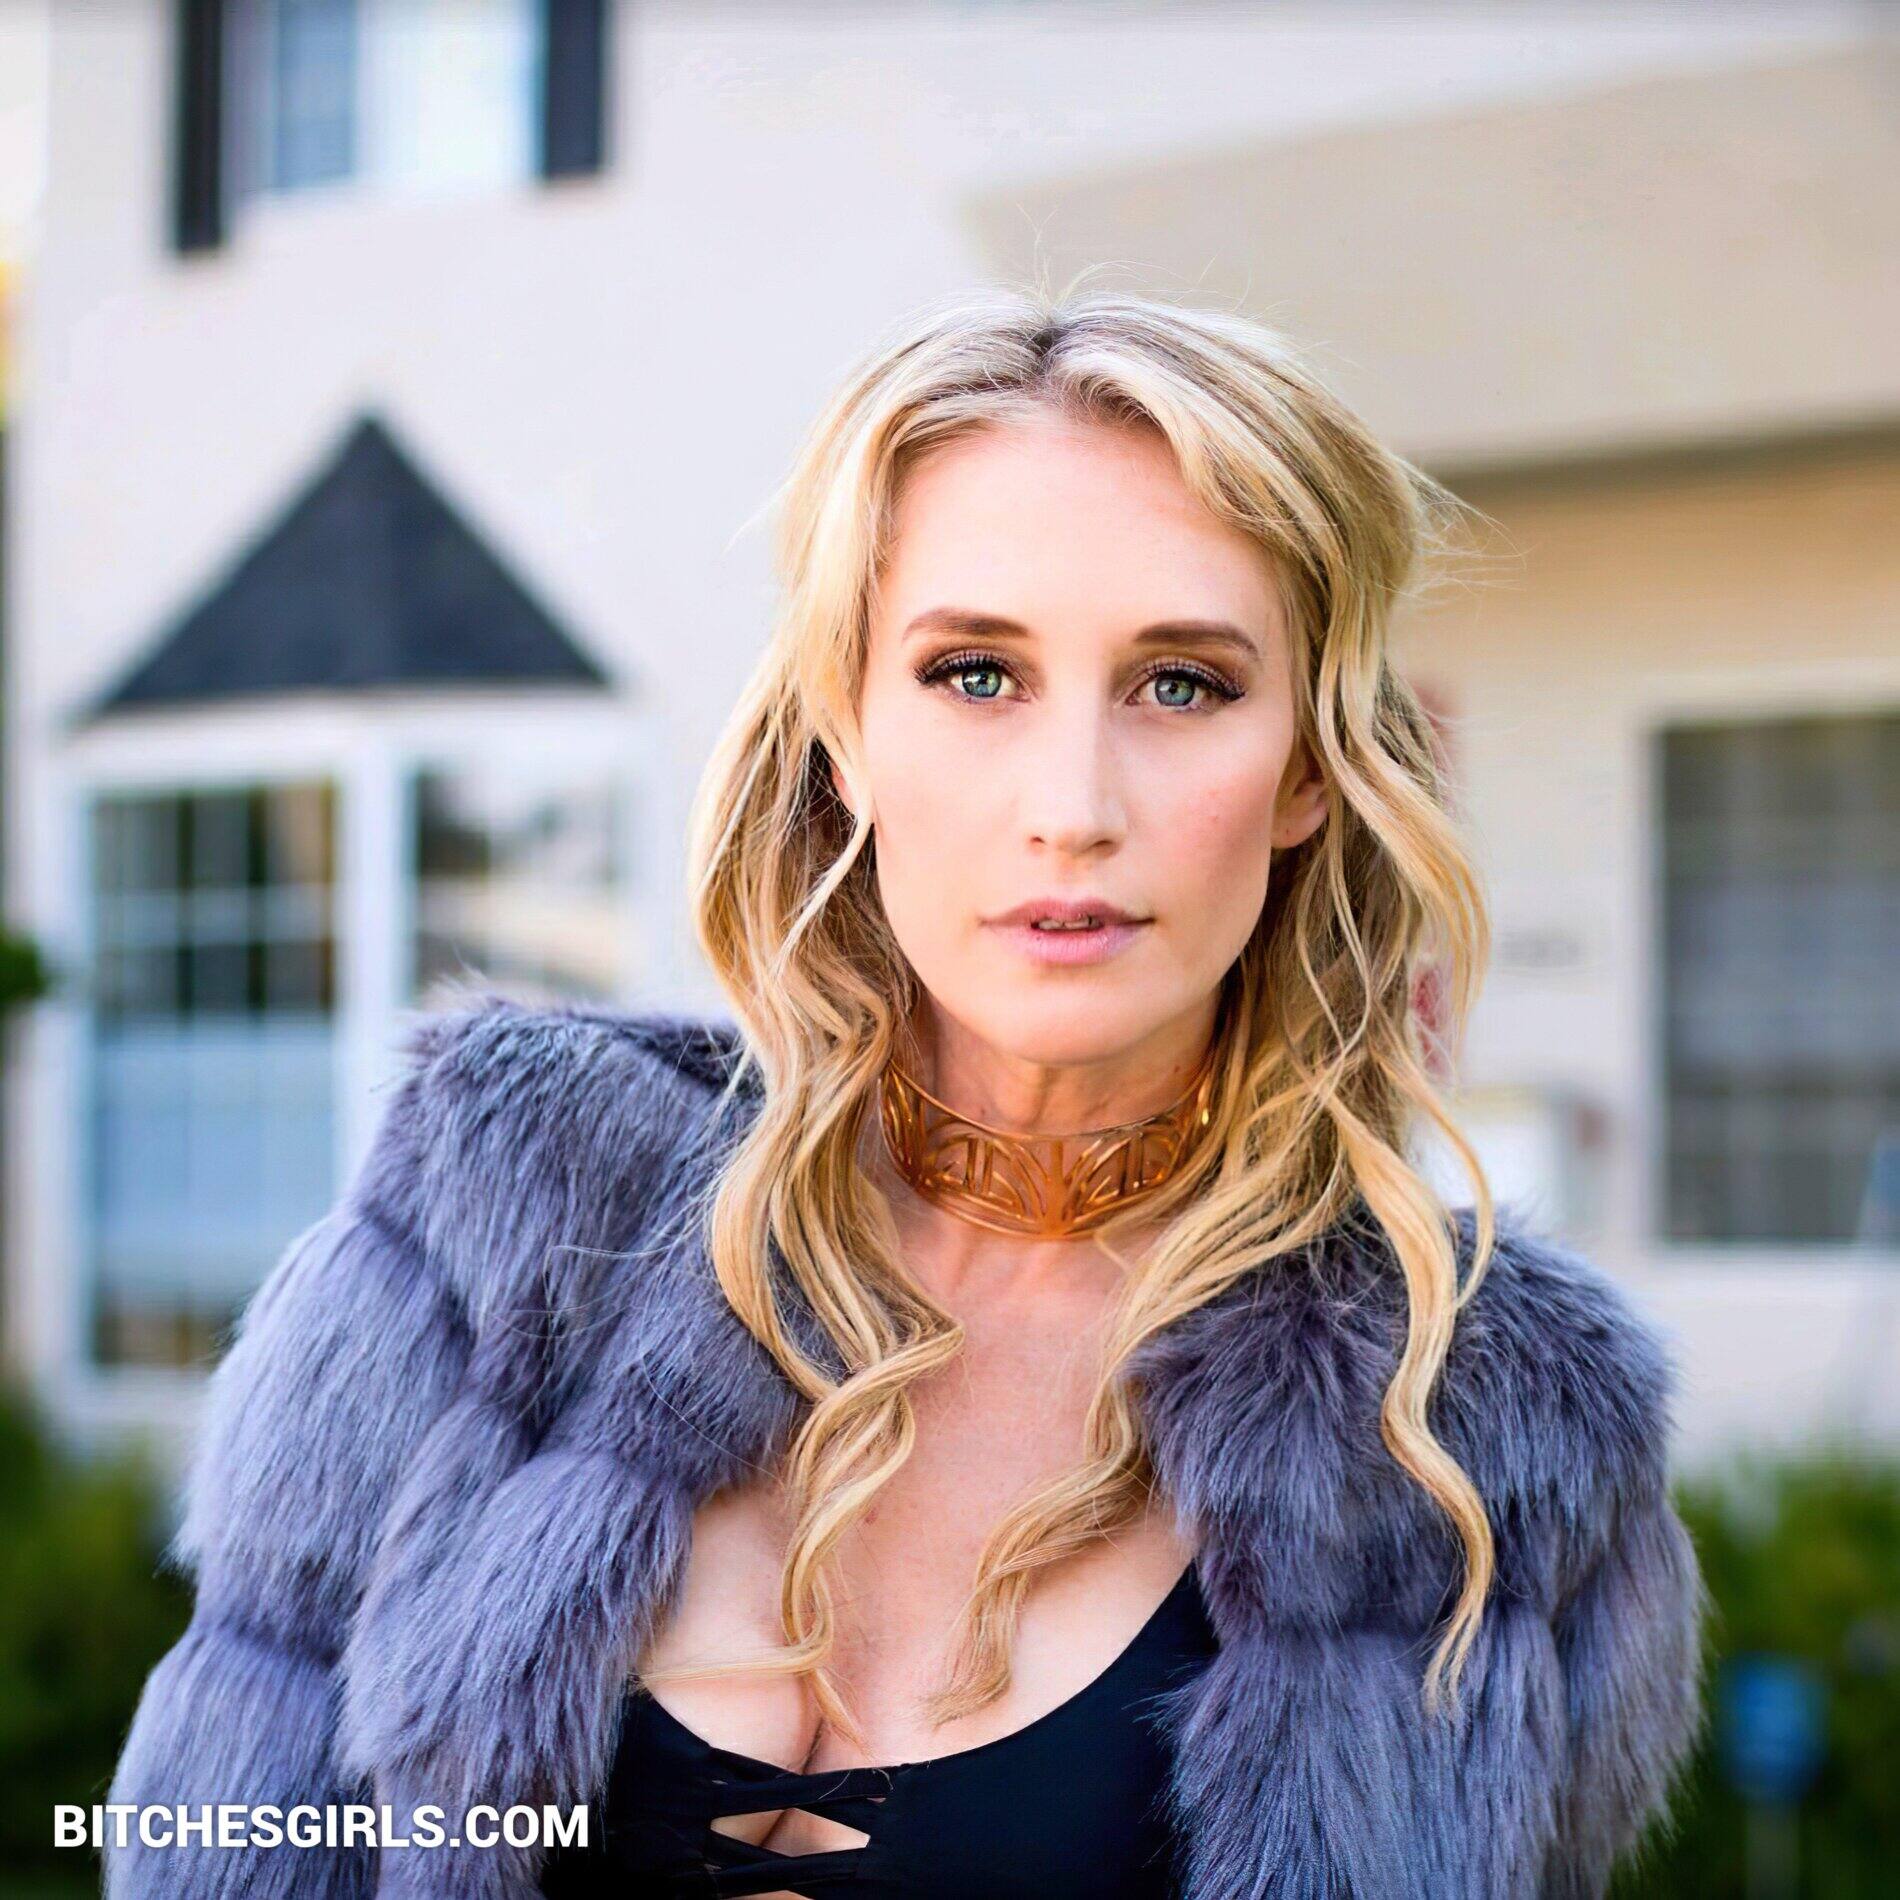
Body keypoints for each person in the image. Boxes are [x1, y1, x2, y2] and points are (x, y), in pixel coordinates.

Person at [105, 289, 1705, 1900]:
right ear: (845, 734)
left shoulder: (1489, 1431)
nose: (1071, 807)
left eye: (1182, 685)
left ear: (1308, 766)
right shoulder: (503, 1209)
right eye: (975, 674)